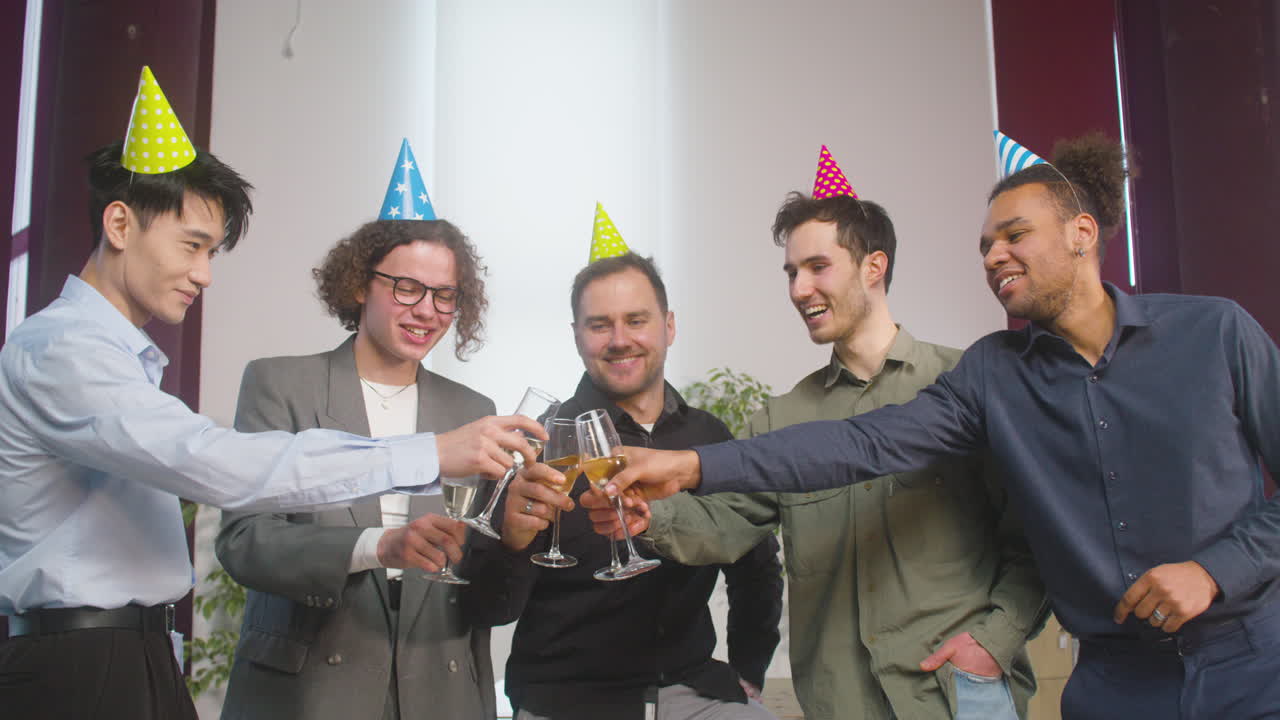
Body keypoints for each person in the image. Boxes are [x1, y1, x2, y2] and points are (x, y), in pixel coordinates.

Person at [603, 134, 1280, 720]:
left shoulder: (1215, 333)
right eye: (984, 245)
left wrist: (1213, 572)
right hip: (1109, 684)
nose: (991, 256)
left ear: (1082, 232)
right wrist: (688, 472)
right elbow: (863, 443)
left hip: (1249, 667)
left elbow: (1022, 548)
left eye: (1013, 235)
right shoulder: (994, 375)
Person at [0, 80, 541, 720]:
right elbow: (228, 471)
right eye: (192, 245)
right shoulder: (64, 351)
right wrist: (428, 455)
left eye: (212, 251)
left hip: (138, 651)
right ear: (120, 223)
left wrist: (515, 536)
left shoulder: (125, 360)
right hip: (85, 660)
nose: (204, 273)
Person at [587, 186, 1046, 719]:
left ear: (874, 266)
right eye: (790, 272)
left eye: (818, 266)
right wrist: (649, 519)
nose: (800, 289)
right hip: (840, 702)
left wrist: (995, 639)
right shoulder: (782, 419)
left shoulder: (968, 384)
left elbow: (1033, 536)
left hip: (959, 696)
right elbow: (727, 522)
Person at [471, 247, 784, 720]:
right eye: (600, 325)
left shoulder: (709, 439)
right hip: (565, 701)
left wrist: (749, 671)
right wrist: (512, 543)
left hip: (692, 691)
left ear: (669, 326)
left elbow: (756, 570)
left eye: (636, 320)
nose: (620, 340)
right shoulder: (534, 445)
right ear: (576, 337)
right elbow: (486, 605)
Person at [217, 211, 505, 718]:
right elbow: (246, 543)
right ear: (358, 285)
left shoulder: (473, 412)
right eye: (407, 287)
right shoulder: (280, 386)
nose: (427, 310)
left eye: (444, 295)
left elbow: (484, 574)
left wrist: (523, 526)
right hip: (308, 692)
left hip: (439, 689)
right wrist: (375, 546)